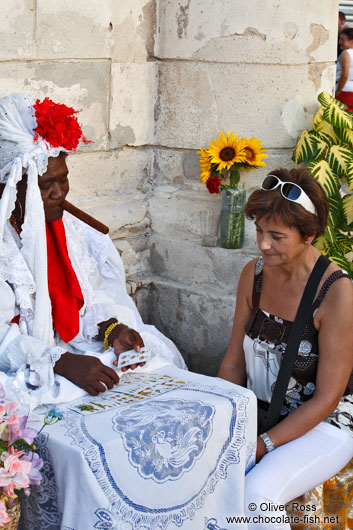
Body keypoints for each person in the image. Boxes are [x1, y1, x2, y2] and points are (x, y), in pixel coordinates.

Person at [0, 93, 186, 409]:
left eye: (63, 179)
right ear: (10, 185)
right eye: (45, 185)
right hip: (26, 361)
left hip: (72, 348)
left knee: (154, 360)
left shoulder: (68, 227)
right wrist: (61, 362)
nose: (59, 193)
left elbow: (91, 294)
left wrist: (112, 329)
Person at [218, 168, 353, 529]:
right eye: (259, 231)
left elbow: (327, 398)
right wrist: (221, 420)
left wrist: (262, 445)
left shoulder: (337, 293)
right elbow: (234, 359)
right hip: (261, 410)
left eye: (276, 236)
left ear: (309, 235)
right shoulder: (254, 274)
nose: (262, 244)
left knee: (257, 494)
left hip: (326, 422)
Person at [336, 27, 353, 110]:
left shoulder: (346, 53)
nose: (340, 42)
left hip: (344, 92)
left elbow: (344, 75)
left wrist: (337, 92)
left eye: (343, 40)